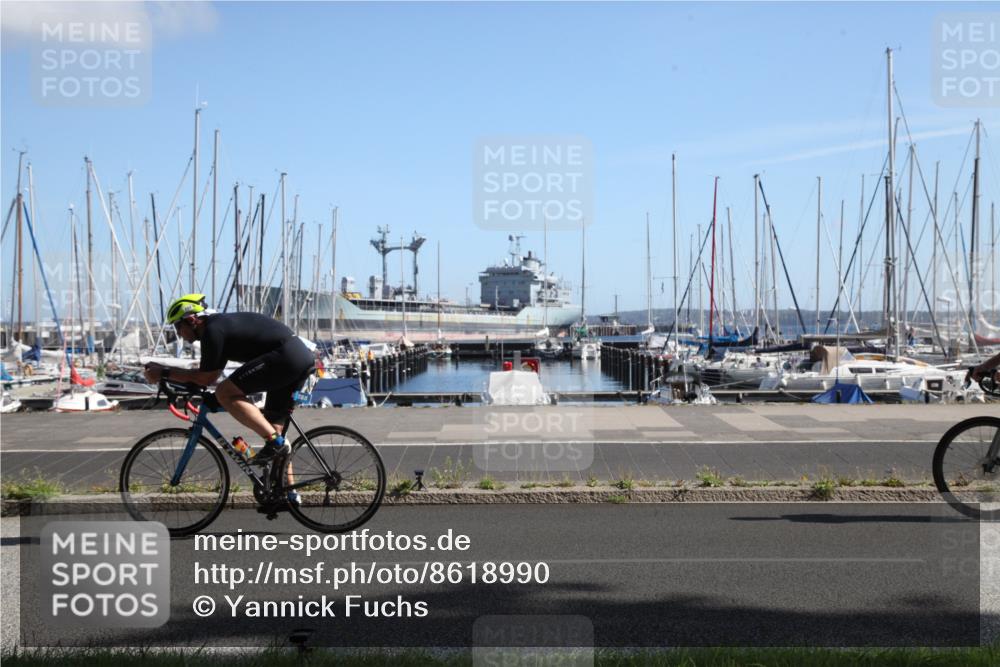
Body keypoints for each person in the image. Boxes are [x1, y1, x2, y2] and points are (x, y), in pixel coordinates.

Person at [144, 294, 315, 470]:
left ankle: (275, 442)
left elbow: (206, 378)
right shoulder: (220, 327)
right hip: (295, 357)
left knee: (225, 392)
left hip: (286, 358)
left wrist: (164, 373)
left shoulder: (213, 330)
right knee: (273, 430)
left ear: (192, 320)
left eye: (178, 326)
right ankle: (289, 494)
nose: (178, 333)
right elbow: (209, 375)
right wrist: (169, 376)